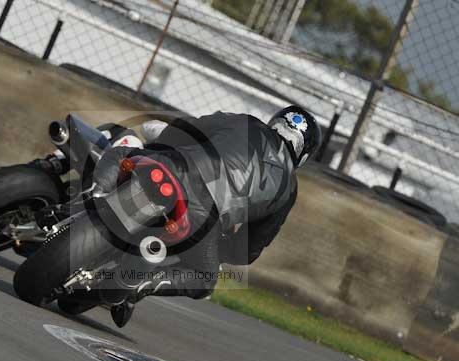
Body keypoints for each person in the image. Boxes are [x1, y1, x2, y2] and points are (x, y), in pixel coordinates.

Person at [91, 105, 322, 327]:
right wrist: (221, 244)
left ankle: (92, 195)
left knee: (122, 154)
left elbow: (187, 129)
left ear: (277, 121)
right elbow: (247, 250)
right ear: (304, 153)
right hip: (204, 220)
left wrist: (161, 147)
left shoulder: (244, 122)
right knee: (204, 278)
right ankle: (141, 284)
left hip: (175, 169)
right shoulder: (289, 188)